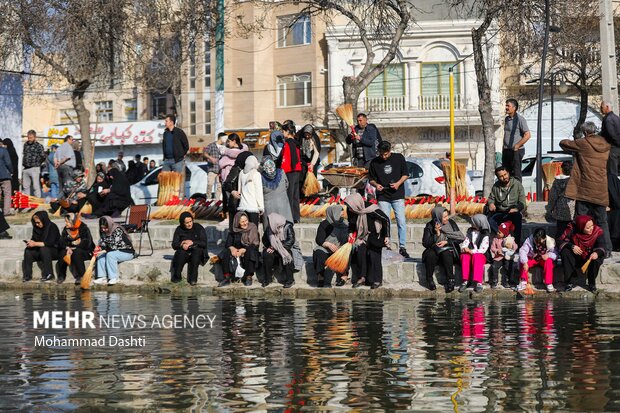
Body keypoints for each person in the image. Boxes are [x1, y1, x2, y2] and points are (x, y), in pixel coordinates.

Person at [560, 121, 613, 257]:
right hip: (601, 190)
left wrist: (576, 140)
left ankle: (580, 246)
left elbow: (563, 143)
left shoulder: (583, 143)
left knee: (581, 220)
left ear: (585, 132)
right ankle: (606, 249)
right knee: (602, 221)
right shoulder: (605, 145)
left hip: (585, 190)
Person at [369, 140, 410, 258]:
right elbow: (371, 179)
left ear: (390, 151)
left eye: (386, 154)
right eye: (381, 154)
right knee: (385, 221)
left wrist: (398, 183)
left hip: (397, 195)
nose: (383, 156)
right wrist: (376, 185)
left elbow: (406, 174)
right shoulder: (374, 162)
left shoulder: (399, 158)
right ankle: (387, 244)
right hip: (383, 196)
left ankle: (402, 247)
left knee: (401, 221)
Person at [345, 193, 390, 289]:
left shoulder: (371, 209)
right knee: (360, 253)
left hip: (375, 235)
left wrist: (387, 236)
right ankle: (362, 277)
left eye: (350, 207)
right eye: (348, 207)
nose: (349, 209)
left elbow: (385, 220)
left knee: (374, 256)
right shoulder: (352, 210)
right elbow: (351, 223)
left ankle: (377, 280)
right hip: (362, 236)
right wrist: (350, 232)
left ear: (356, 204)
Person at [422, 206, 465, 292]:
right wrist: (437, 234)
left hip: (449, 251)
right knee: (430, 254)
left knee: (446, 252)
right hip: (435, 251)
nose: (446, 218)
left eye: (447, 216)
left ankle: (451, 280)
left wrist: (447, 242)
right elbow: (426, 243)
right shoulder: (430, 225)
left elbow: (460, 238)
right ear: (437, 217)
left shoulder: (451, 223)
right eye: (444, 217)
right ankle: (429, 279)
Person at [559, 215, 605, 293]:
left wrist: (596, 253)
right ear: (581, 227)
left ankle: (592, 284)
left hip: (589, 257)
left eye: (592, 226)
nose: (591, 228)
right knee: (565, 252)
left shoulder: (597, 231)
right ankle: (569, 282)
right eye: (588, 228)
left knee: (596, 259)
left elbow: (602, 246)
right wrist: (572, 246)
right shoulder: (572, 229)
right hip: (577, 257)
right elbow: (559, 241)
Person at [219, 211, 260, 287]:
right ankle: (227, 277)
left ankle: (248, 277)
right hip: (236, 251)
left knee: (250, 252)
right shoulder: (234, 230)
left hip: (249, 249)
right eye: (242, 222)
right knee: (226, 252)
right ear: (237, 222)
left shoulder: (252, 228)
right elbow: (228, 244)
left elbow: (255, 244)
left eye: (246, 220)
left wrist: (243, 250)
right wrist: (232, 248)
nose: (245, 223)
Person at [487, 166, 526, 245]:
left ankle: (516, 244)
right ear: (498, 177)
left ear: (508, 173)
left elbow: (522, 202)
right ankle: (502, 236)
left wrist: (517, 208)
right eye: (501, 176)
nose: (504, 177)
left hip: (512, 211)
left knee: (518, 217)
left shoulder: (517, 184)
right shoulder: (496, 186)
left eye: (505, 174)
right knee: (490, 220)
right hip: (500, 211)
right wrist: (491, 203)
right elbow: (491, 198)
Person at [313, 204, 348, 288]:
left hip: (340, 250)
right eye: (340, 213)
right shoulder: (325, 224)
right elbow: (319, 240)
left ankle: (344, 275)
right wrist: (328, 244)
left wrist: (341, 248)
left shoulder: (345, 224)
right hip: (327, 249)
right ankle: (320, 276)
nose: (342, 215)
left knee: (347, 253)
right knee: (318, 252)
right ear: (333, 213)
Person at [94, 216, 135, 286]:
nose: (103, 230)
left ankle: (114, 277)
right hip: (113, 252)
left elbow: (114, 247)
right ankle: (102, 277)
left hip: (126, 252)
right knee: (101, 257)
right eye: (102, 228)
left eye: (105, 228)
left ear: (109, 225)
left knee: (110, 255)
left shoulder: (117, 230)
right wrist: (98, 248)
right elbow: (102, 243)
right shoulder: (103, 232)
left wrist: (103, 251)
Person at [171, 212, 208, 285]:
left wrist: (192, 242)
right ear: (183, 223)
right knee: (180, 253)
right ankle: (177, 277)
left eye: (191, 221)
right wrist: (182, 244)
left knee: (196, 254)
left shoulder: (198, 227)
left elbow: (204, 243)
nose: (189, 224)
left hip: (197, 250)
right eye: (187, 223)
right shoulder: (179, 229)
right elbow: (174, 245)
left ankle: (193, 280)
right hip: (185, 252)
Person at [56, 213, 94, 285]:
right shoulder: (66, 229)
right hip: (70, 250)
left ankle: (81, 276)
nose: (65, 223)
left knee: (77, 252)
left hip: (85, 251)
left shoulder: (83, 227)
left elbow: (87, 242)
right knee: (62, 252)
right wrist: (67, 248)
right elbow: (61, 242)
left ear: (72, 221)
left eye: (67, 221)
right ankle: (61, 276)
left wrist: (75, 246)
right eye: (65, 221)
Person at [22, 211, 60, 282]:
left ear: (43, 220)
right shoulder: (36, 228)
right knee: (28, 251)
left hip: (54, 251)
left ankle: (49, 274)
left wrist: (35, 244)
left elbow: (50, 243)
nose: (36, 224)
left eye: (38, 222)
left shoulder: (52, 227)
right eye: (35, 222)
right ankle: (27, 275)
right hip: (41, 251)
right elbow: (34, 239)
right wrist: (30, 243)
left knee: (44, 249)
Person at [219, 133, 248, 224]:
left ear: (234, 141)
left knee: (229, 199)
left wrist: (225, 152)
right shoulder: (243, 153)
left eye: (229, 141)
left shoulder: (228, 153)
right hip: (238, 178)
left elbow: (221, 163)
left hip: (229, 178)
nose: (227, 143)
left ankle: (229, 218)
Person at [458, 214, 491, 293]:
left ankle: (478, 282)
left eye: (473, 223)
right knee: (464, 256)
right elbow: (466, 241)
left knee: (477, 257)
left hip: (480, 254)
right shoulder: (470, 231)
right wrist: (464, 248)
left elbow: (483, 249)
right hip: (470, 252)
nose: (471, 224)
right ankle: (465, 280)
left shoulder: (485, 234)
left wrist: (471, 251)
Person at [262, 212, 296, 288]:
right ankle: (267, 279)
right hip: (273, 249)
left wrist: (276, 246)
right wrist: (270, 246)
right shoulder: (270, 228)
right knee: (267, 254)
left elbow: (290, 241)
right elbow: (264, 240)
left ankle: (290, 280)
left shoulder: (287, 226)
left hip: (285, 248)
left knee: (287, 255)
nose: (269, 223)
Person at [518, 227, 557, 292]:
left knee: (549, 261)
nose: (537, 243)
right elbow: (523, 251)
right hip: (532, 258)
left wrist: (548, 255)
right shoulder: (529, 240)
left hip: (543, 259)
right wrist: (525, 262)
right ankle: (523, 281)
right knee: (522, 260)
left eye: (539, 241)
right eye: (536, 241)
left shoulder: (550, 242)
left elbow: (556, 254)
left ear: (544, 238)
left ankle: (549, 283)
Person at [501, 98, 530, 181]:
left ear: (514, 108)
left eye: (508, 106)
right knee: (506, 173)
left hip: (516, 151)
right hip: (506, 151)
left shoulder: (520, 119)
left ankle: (518, 192)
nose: (506, 107)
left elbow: (527, 135)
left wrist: (517, 146)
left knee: (516, 174)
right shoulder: (507, 119)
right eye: (506, 105)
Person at [261, 157, 293, 226]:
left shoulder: (261, 177)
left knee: (271, 231)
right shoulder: (281, 172)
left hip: (269, 210)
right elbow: (287, 185)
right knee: (286, 229)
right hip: (284, 206)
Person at [281, 122, 302, 222]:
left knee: (289, 195)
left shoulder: (288, 143)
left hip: (290, 170)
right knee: (295, 196)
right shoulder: (296, 142)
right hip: (297, 170)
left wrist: (282, 170)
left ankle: (289, 217)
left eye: (283, 131)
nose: (282, 133)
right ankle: (296, 217)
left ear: (287, 131)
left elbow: (287, 158)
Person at [234, 155, 263, 228]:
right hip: (253, 207)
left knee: (244, 230)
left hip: (242, 206)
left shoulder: (241, 173)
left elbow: (239, 190)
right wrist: (261, 207)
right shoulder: (256, 174)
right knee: (253, 231)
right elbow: (258, 192)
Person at [546, 160, 573, 238]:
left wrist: (550, 208)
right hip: (572, 207)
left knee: (560, 230)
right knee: (572, 229)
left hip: (560, 207)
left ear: (562, 169)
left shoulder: (557, 181)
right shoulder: (572, 181)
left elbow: (553, 196)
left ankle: (559, 244)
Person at [489, 221, 518, 288]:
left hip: (507, 257)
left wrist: (512, 247)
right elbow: (492, 248)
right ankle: (494, 280)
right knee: (494, 266)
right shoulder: (495, 239)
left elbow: (515, 246)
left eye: (499, 232)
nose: (497, 233)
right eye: (498, 231)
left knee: (508, 266)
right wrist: (496, 250)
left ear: (505, 233)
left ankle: (507, 281)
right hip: (498, 257)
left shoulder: (510, 239)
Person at [21, 130, 45, 197]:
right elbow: (24, 154)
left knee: (35, 186)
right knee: (25, 187)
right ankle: (26, 204)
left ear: (35, 137)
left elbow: (43, 156)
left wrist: (37, 163)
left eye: (31, 138)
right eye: (28, 137)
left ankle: (37, 203)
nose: (29, 139)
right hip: (26, 168)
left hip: (35, 168)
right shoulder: (25, 144)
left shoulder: (39, 146)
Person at [600, 100, 620, 175]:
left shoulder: (607, 119)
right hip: (617, 146)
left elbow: (611, 134)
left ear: (607, 107)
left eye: (602, 107)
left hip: (613, 148)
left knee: (612, 172)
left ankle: (613, 186)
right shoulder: (617, 117)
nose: (601, 109)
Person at [204, 132, 225, 200]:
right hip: (212, 168)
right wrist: (211, 158)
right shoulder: (211, 145)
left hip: (220, 170)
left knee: (219, 186)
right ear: (221, 138)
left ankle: (217, 200)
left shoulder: (224, 147)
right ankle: (208, 198)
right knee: (210, 184)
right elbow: (205, 153)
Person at [0, 141, 13, 215]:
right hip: (4, 175)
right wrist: (11, 171)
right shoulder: (4, 150)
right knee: (7, 193)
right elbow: (8, 163)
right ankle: (6, 212)